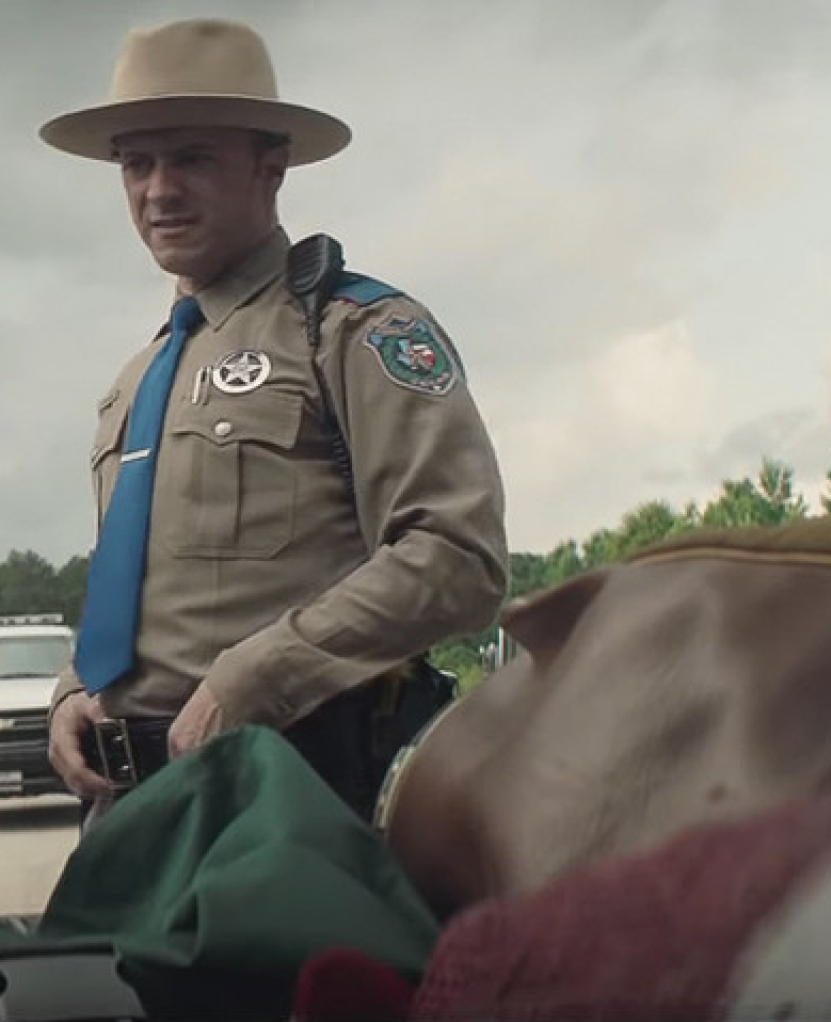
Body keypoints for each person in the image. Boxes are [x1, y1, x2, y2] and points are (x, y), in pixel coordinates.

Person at [36, 17, 509, 823]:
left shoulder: (352, 331)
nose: (158, 190)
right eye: (136, 163)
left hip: (292, 795)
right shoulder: (138, 379)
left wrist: (260, 675)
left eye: (192, 157)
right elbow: (145, 586)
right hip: (128, 809)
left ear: (272, 163)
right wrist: (76, 689)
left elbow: (458, 557)